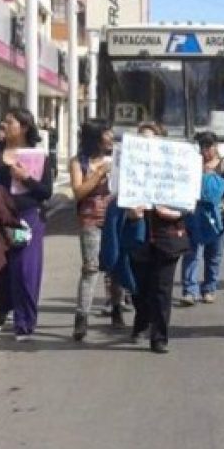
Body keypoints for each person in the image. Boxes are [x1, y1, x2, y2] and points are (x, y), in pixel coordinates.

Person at [0, 107, 53, 341]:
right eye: (4, 121)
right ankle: (3, 310)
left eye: (10, 122)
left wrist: (26, 179)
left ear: (24, 127)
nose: (4, 124)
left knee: (25, 270)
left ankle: (24, 323)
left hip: (27, 219)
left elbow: (46, 192)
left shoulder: (38, 157)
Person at [125, 122, 190, 354]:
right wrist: (131, 213)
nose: (145, 145)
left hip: (167, 237)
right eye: (141, 140)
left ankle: (159, 337)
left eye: (150, 140)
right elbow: (118, 201)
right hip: (138, 238)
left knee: (162, 290)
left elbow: (187, 202)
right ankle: (142, 321)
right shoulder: (128, 170)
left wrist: (174, 212)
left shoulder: (175, 168)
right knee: (139, 288)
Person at [70, 120, 125, 341]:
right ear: (95, 137)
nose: (110, 136)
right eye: (106, 132)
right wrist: (99, 174)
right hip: (90, 219)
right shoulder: (79, 162)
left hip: (115, 217)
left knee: (116, 264)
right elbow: (78, 192)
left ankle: (117, 308)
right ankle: (81, 318)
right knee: (91, 268)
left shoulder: (119, 157)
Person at [181, 132, 224, 306]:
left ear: (215, 146)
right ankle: (190, 290)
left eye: (209, 146)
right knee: (191, 253)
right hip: (194, 215)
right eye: (202, 147)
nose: (206, 151)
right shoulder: (191, 163)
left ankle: (209, 289)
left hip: (217, 217)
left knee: (214, 255)